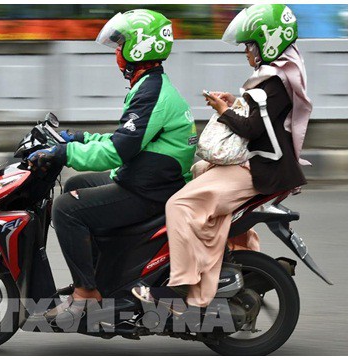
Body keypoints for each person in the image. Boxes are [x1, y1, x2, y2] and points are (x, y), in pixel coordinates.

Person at [133, 4, 312, 309]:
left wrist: (224, 111)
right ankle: (239, 257)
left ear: (267, 43)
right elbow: (260, 114)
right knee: (200, 170)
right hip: (260, 164)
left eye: (249, 45)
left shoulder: (274, 81)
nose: (246, 51)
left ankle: (184, 283)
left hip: (261, 169)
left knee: (178, 204)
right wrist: (234, 102)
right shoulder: (277, 76)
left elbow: (254, 129)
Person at [27, 9, 198, 319]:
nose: (117, 51)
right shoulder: (150, 85)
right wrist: (79, 138)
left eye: (121, 44)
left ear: (140, 47)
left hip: (149, 190)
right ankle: (101, 277)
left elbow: (118, 151)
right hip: (146, 178)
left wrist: (64, 154)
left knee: (65, 208)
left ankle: (87, 295)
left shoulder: (151, 92)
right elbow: (126, 138)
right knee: (77, 185)